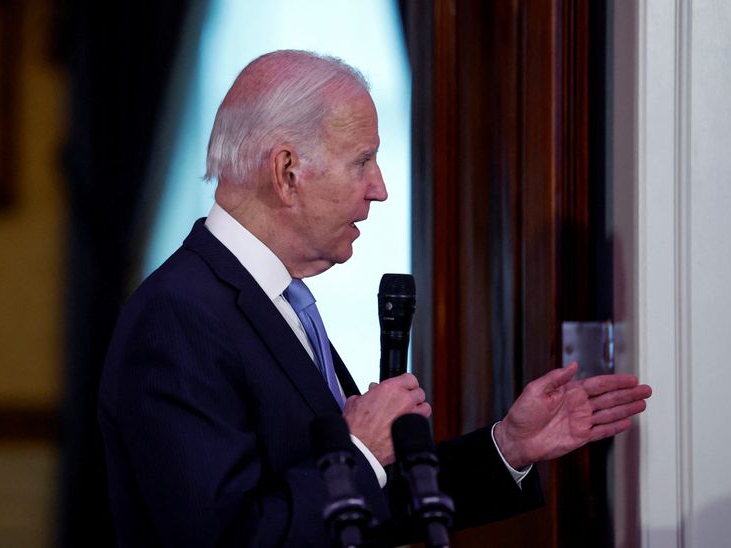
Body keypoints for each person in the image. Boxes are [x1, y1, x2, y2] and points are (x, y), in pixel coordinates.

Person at [99, 50, 652, 547]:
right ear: (287, 172)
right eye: (362, 160)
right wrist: (360, 449)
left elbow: (365, 504)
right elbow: (226, 539)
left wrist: (507, 446)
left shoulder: (280, 301)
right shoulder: (177, 317)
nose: (380, 187)